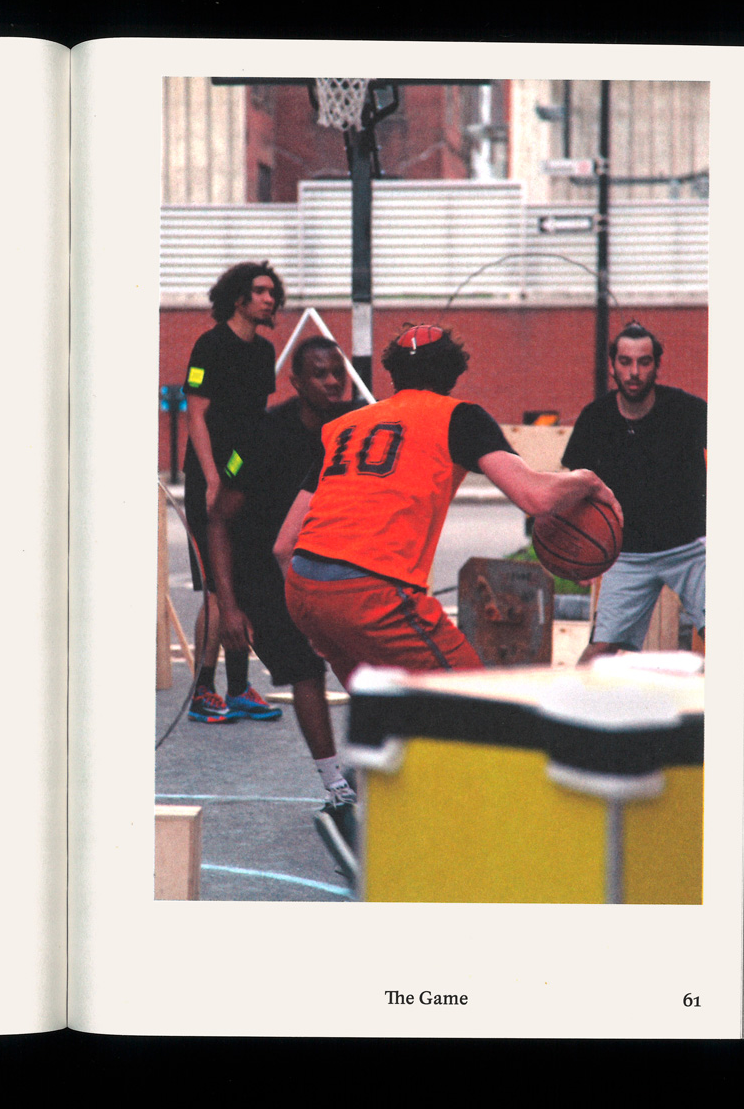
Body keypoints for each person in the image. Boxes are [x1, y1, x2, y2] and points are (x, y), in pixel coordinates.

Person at [277, 324, 622, 692]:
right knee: (473, 700)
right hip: (372, 591)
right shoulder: (459, 417)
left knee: (386, 708)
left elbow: (284, 546)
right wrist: (588, 480)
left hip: (303, 589)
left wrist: (313, 617)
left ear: (393, 373)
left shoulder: (344, 427)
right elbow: (535, 497)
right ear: (454, 373)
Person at [204, 336, 363, 812]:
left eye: (338, 372)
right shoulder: (261, 434)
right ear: (295, 382)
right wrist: (229, 606)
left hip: (331, 566)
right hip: (265, 575)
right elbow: (218, 520)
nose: (332, 382)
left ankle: (373, 767)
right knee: (305, 670)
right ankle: (335, 786)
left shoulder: (356, 426)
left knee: (368, 667)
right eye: (320, 373)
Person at [561, 322, 707, 664]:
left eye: (644, 362)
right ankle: (570, 698)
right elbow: (575, 489)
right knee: (599, 651)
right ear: (612, 365)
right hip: (627, 555)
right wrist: (580, 552)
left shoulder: (688, 411)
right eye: (625, 362)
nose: (634, 372)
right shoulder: (595, 419)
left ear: (657, 365)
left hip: (691, 549)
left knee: (733, 635)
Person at [180, 261, 286, 723]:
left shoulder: (264, 352)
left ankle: (239, 688)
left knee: (241, 584)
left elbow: (256, 422)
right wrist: (212, 480)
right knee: (215, 588)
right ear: (238, 297)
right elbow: (196, 416)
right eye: (260, 291)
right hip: (210, 478)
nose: (269, 299)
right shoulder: (210, 345)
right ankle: (203, 690)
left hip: (245, 477)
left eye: (273, 293)